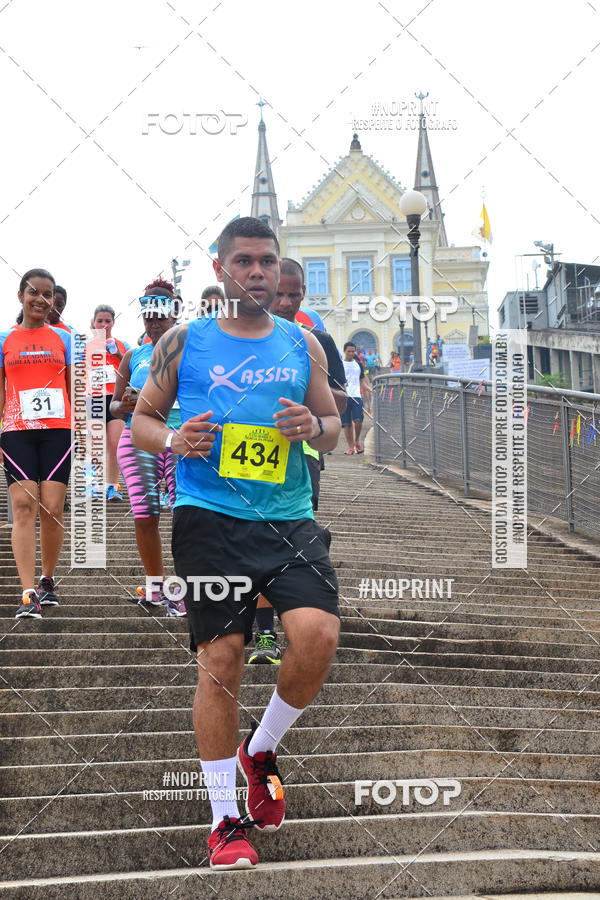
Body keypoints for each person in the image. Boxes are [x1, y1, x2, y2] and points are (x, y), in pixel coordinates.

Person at [131, 216, 340, 870]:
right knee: (221, 661)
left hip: (288, 518)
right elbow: (140, 419)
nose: (257, 271)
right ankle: (225, 820)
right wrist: (173, 441)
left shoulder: (302, 346)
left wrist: (315, 424)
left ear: (279, 270)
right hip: (209, 518)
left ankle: (262, 748)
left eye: (267, 261)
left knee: (317, 634)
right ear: (221, 269)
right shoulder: (184, 343)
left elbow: (333, 424)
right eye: (244, 261)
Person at [248, 257, 347, 666]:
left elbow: (339, 402)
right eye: (281, 294)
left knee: (284, 539)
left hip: (301, 457)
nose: (286, 302)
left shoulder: (315, 340)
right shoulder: (240, 338)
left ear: (303, 294)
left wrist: (309, 414)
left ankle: (287, 620)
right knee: (255, 539)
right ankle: (266, 631)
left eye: (294, 294)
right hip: (247, 454)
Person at [0, 269, 72, 618]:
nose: (41, 300)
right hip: (16, 431)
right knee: (24, 508)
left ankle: (47, 579)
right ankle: (28, 593)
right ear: (20, 296)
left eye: (48, 294)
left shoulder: (65, 339)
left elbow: (76, 390)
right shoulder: (4, 339)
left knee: (52, 509)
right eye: (34, 293)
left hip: (58, 431)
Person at [110, 282, 184, 616]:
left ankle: (182, 590)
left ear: (174, 314)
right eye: (149, 318)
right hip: (136, 437)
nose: (154, 324)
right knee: (144, 515)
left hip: (178, 436)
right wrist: (124, 404)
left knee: (185, 515)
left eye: (160, 317)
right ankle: (155, 587)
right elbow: (113, 406)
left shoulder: (190, 349)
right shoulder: (132, 355)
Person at [85, 305, 131, 501]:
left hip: (115, 398)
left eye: (107, 321)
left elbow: (131, 369)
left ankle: (111, 486)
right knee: (93, 444)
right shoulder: (85, 346)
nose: (103, 325)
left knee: (115, 444)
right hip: (93, 398)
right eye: (100, 321)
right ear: (93, 323)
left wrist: (117, 355)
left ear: (113, 322)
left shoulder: (122, 345)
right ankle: (90, 485)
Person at [341, 341, 369, 454]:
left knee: (358, 420)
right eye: (349, 351)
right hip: (344, 395)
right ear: (344, 351)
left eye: (353, 351)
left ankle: (356, 440)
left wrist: (367, 388)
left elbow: (362, 380)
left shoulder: (358, 364)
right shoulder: (340, 364)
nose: (351, 353)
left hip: (356, 395)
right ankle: (350, 447)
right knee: (346, 423)